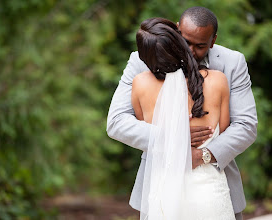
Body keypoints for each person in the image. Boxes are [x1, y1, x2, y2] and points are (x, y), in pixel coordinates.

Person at [107, 6, 257, 220]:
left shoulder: (232, 63)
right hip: (160, 187)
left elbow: (246, 126)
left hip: (213, 181)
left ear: (213, 41)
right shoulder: (141, 60)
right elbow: (117, 122)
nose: (191, 51)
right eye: (185, 41)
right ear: (177, 30)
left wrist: (204, 155)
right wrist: (175, 140)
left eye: (200, 46)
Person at [132, 17, 235, 219]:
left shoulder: (140, 85)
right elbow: (224, 131)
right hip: (208, 192)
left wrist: (174, 138)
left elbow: (146, 132)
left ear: (145, 57)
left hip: (164, 192)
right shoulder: (217, 81)